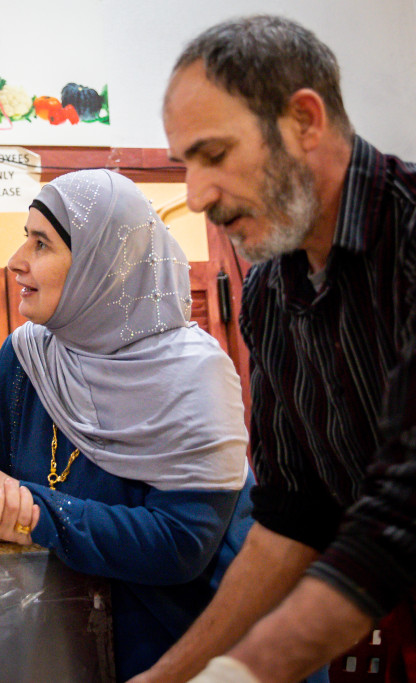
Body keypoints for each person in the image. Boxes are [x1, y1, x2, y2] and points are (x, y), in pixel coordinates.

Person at [131, 14, 416, 683]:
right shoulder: (270, 296)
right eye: (186, 165)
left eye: (215, 154)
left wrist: (240, 674)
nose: (197, 196)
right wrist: (169, 677)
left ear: (305, 121)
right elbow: (294, 518)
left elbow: (404, 510)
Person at [0, 169, 255, 682]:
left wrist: (34, 513)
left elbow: (182, 544)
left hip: (195, 652)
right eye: (23, 239)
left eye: (42, 243)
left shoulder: (194, 374)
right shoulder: (25, 359)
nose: (16, 262)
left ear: (106, 266)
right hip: (67, 648)